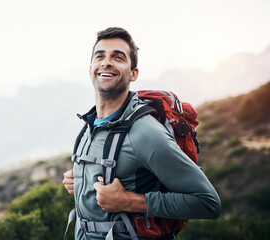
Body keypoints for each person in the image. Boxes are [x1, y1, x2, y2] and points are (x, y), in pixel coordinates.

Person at [63, 27, 221, 240]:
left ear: (133, 73)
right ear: (90, 68)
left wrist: (127, 201)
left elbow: (208, 203)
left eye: (118, 57)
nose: (106, 62)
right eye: (99, 56)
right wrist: (82, 180)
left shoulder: (145, 133)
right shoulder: (89, 124)